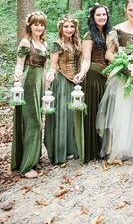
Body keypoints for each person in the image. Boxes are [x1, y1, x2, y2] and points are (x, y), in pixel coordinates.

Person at [96, 0, 133, 163]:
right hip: (122, 76)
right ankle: (120, 148)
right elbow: (109, 54)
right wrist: (125, 64)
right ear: (125, 10)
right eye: (130, 10)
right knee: (122, 110)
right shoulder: (117, 30)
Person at [11, 11, 47, 179]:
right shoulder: (26, 42)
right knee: (34, 123)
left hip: (39, 84)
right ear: (30, 26)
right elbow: (19, 64)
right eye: (36, 24)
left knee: (38, 121)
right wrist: (17, 73)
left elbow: (45, 68)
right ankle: (26, 167)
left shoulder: (43, 43)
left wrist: (47, 86)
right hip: (28, 83)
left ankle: (32, 159)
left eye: (41, 24)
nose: (39, 27)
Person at [73, 3, 111, 163]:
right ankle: (92, 149)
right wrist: (82, 73)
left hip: (108, 76)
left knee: (107, 112)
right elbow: (86, 59)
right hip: (94, 75)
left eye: (104, 14)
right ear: (93, 18)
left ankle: (105, 147)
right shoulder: (89, 35)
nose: (102, 17)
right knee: (95, 110)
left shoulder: (110, 33)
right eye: (98, 15)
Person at [44, 14, 84, 164]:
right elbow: (54, 65)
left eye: (72, 26)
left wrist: (80, 75)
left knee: (73, 115)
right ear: (60, 28)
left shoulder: (77, 43)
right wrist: (50, 73)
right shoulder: (57, 44)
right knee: (63, 115)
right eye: (66, 26)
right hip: (62, 82)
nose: (69, 29)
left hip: (76, 82)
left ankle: (73, 148)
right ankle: (60, 151)